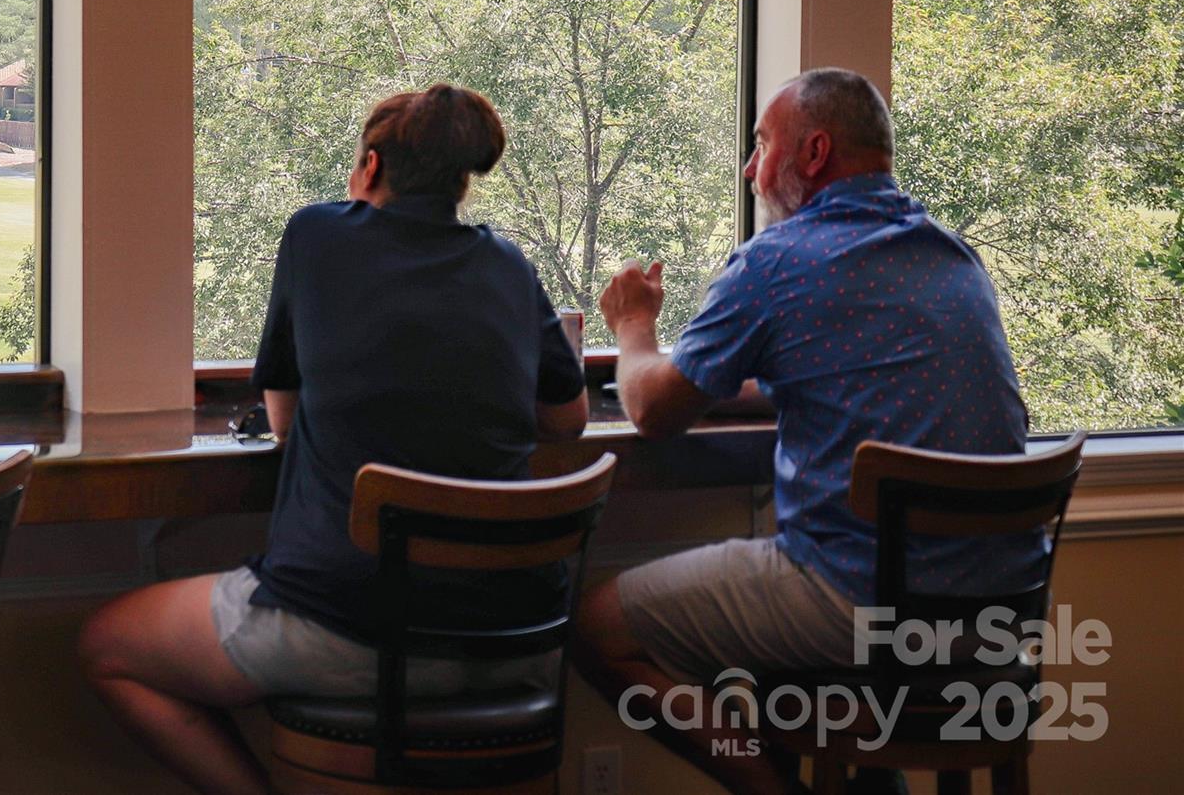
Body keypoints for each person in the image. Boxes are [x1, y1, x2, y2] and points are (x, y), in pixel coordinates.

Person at [78, 84, 588, 795]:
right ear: (462, 180)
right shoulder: (509, 266)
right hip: (521, 634)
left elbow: (284, 424)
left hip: (351, 631)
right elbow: (567, 421)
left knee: (108, 644)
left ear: (370, 167)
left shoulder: (318, 236)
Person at [574, 68, 1039, 795]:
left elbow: (653, 413)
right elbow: (849, 373)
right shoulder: (952, 255)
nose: (752, 168)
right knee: (779, 641)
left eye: (762, 145)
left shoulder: (777, 261)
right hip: (1001, 615)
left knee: (598, 624)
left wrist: (634, 324)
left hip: (866, 611)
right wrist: (733, 385)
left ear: (814, 153)